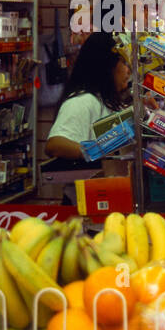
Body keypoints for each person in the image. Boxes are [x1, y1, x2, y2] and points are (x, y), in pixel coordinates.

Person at [46, 31, 131, 203]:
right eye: (123, 62)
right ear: (107, 66)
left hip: (106, 200)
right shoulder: (82, 102)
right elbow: (54, 145)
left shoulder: (106, 100)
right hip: (83, 208)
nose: (128, 70)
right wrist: (96, 150)